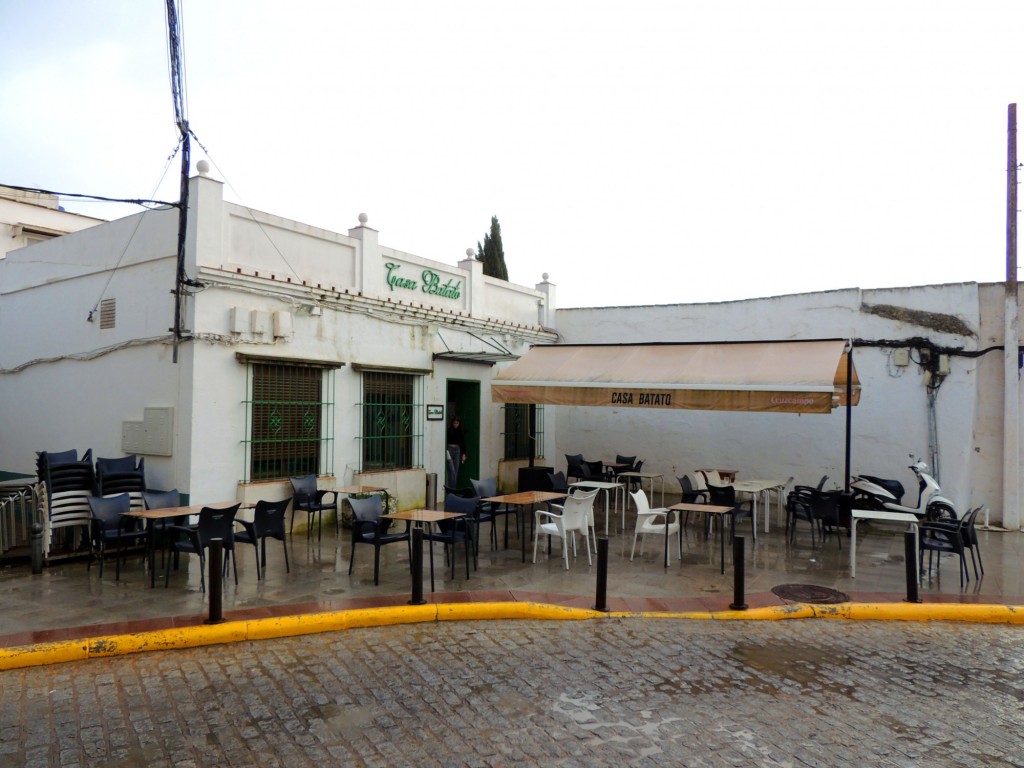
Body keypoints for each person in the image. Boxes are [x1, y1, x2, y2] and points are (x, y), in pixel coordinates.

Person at [446, 415, 466, 487]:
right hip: (450, 449)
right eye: (454, 423)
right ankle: (451, 490)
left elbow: (463, 442)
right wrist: (447, 452)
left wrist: (463, 454)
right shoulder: (449, 430)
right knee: (452, 471)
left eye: (457, 423)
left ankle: (453, 489)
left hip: (457, 450)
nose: (455, 425)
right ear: (452, 423)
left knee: (456, 471)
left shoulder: (460, 430)